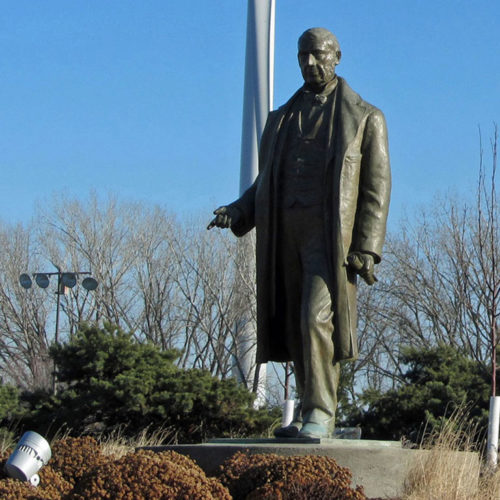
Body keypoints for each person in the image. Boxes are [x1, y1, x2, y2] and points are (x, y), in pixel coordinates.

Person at [208, 27, 391, 439]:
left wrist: (367, 247)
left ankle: (322, 412)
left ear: (337, 56)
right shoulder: (279, 120)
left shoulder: (365, 118)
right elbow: (266, 182)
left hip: (330, 239)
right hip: (284, 233)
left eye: (318, 54)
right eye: (303, 56)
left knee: (315, 319)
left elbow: (376, 188)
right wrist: (239, 209)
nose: (310, 63)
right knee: (294, 326)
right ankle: (310, 410)